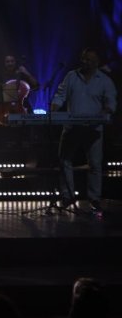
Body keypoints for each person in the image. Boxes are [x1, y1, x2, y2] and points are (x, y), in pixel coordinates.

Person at [50, 49, 116, 214]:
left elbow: (111, 103)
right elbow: (60, 95)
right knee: (64, 160)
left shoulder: (105, 80)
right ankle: (67, 196)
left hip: (93, 129)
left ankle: (94, 199)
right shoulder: (71, 76)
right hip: (72, 127)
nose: (85, 62)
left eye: (89, 60)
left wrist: (103, 113)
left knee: (95, 164)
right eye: (83, 59)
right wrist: (54, 108)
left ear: (96, 62)